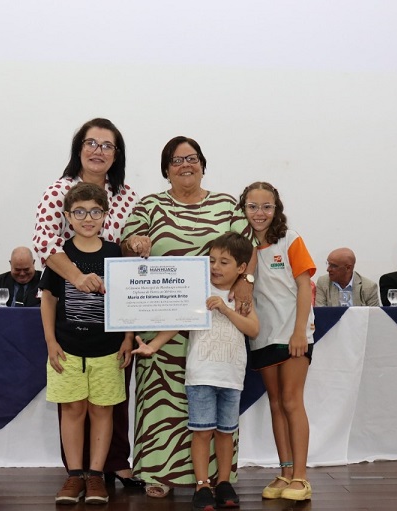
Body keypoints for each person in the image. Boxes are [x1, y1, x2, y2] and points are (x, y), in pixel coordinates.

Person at [120, 136, 254, 498]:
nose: (185, 165)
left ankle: (216, 480)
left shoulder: (226, 205)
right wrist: (136, 245)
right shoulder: (149, 205)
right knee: (161, 400)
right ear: (166, 169)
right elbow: (127, 244)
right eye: (177, 160)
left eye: (192, 158)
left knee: (215, 403)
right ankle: (157, 473)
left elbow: (248, 249)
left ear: (203, 164)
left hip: (215, 323)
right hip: (163, 322)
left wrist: (247, 282)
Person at [31, 118, 141, 487]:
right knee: (74, 401)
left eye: (108, 145)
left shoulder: (127, 195)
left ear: (117, 154)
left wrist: (138, 244)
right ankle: (77, 473)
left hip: (116, 313)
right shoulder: (58, 191)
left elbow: (131, 247)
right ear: (79, 148)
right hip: (70, 312)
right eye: (91, 143)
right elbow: (44, 243)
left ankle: (114, 463)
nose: (98, 151)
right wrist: (78, 277)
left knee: (113, 394)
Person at [132, 232, 259, 509]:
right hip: (201, 375)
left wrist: (226, 309)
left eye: (224, 262)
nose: (215, 267)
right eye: (212, 260)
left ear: (241, 267)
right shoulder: (199, 290)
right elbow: (178, 322)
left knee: (226, 432)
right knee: (201, 432)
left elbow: (253, 329)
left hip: (232, 377)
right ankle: (202, 484)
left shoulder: (242, 296)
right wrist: (153, 346)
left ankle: (223, 482)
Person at [39, 182, 133, 504]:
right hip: (67, 349)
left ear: (106, 215)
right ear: (67, 216)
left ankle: (95, 476)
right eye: (79, 212)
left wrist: (128, 338)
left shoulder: (115, 253)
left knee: (103, 411)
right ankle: (74, 475)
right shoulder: (60, 257)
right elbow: (48, 300)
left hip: (107, 350)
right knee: (72, 410)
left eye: (95, 211)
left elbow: (127, 300)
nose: (88, 218)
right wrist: (50, 341)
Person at [238, 182, 315, 502]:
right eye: (252, 206)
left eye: (266, 206)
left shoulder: (290, 239)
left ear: (276, 208)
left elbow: (304, 287)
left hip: (293, 334)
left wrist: (299, 331)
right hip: (262, 335)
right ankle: (285, 472)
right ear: (243, 209)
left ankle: (301, 477)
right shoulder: (243, 246)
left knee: (292, 401)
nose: (259, 213)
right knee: (275, 403)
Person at [315, 247, 379, 306]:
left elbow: (373, 314)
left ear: (348, 268)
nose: (328, 269)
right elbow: (320, 312)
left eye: (334, 266)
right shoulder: (323, 282)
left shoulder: (369, 287)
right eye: (328, 264)